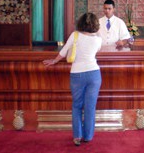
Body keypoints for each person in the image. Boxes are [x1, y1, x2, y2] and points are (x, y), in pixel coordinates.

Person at [43, 12, 102, 147]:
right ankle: (88, 136)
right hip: (94, 74)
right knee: (90, 107)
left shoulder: (75, 35)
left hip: (77, 74)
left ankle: (77, 136)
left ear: (80, 23)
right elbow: (97, 46)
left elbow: (63, 53)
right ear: (95, 25)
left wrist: (54, 61)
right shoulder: (98, 39)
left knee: (77, 106)